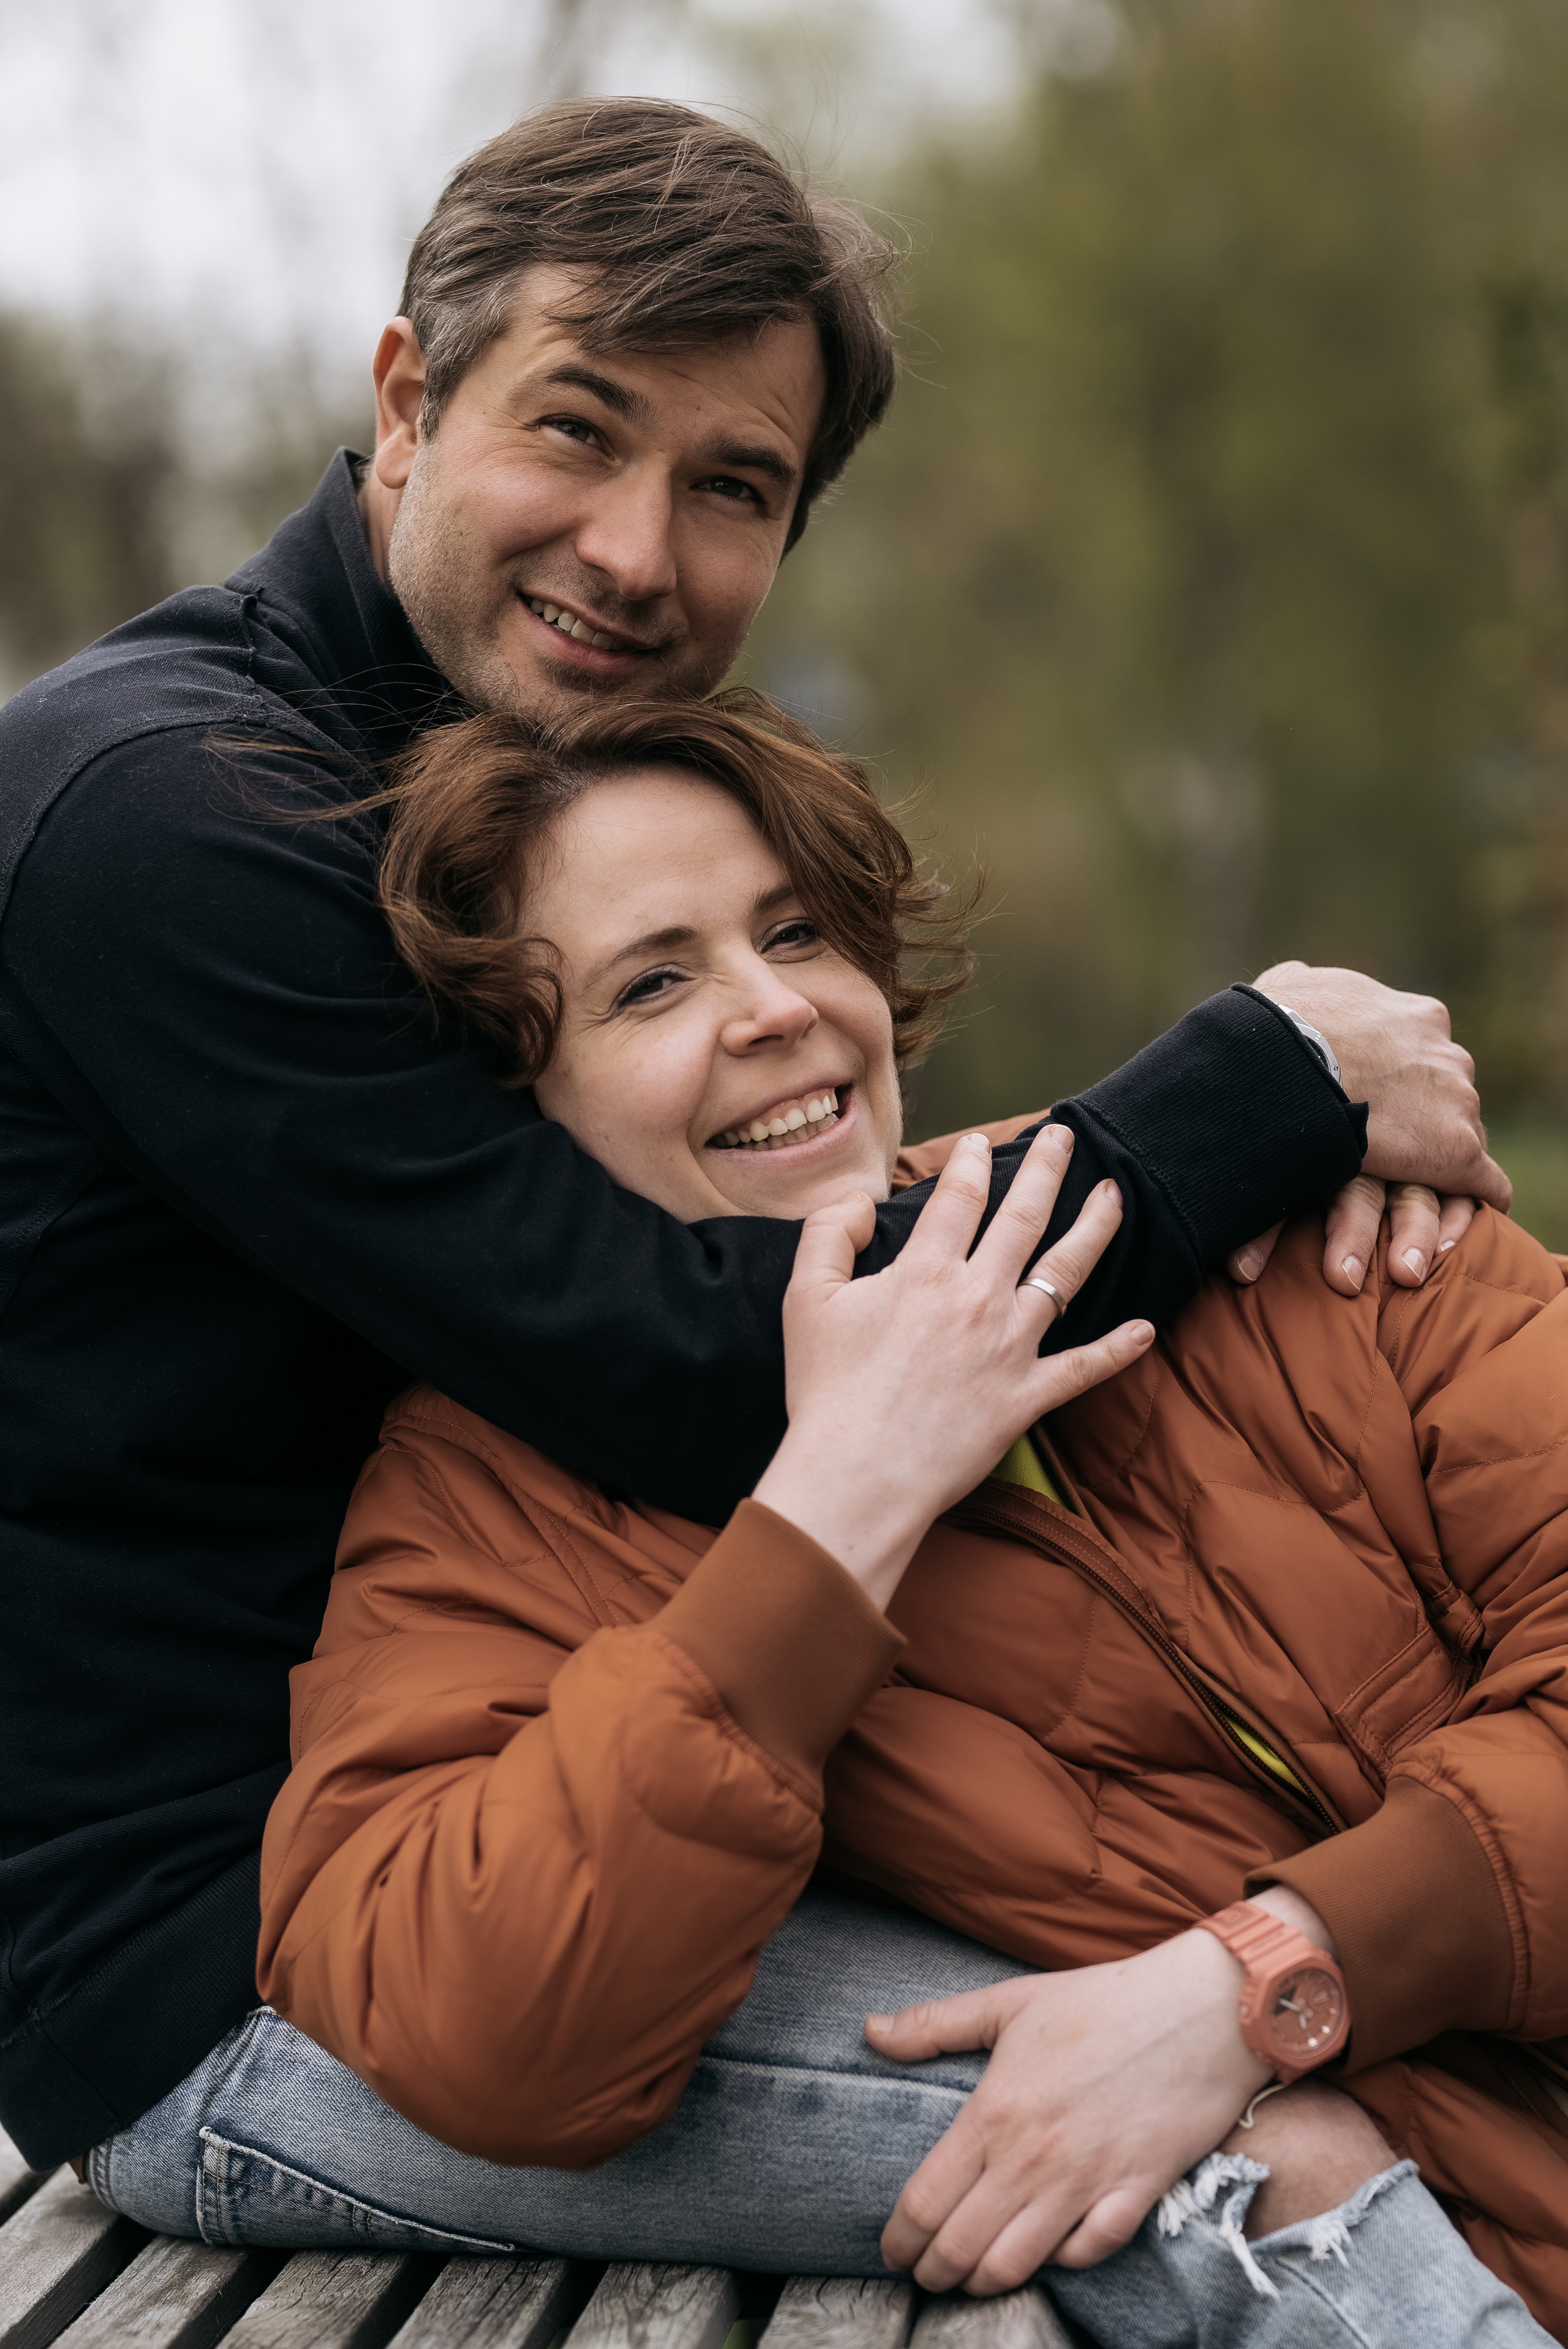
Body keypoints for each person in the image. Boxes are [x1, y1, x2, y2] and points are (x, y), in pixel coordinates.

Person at [0, 98, 1504, 2188]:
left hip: (607, 1789)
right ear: (406, 397)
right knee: (1258, 2150)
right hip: (253, 1970)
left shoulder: (508, 789)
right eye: (580, 429)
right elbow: (700, 1355)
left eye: (734, 486)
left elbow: (759, 1202)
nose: (638, 550)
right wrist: (1254, 1083)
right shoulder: (165, 812)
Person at [92, 697, 1562, 2349]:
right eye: (655, 982)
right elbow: (483, 2019)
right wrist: (831, 1509)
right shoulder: (492, 1505)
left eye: (798, 931)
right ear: (515, 1112)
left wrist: (1258, 1978)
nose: (779, 1006)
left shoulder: (1295, 1233)